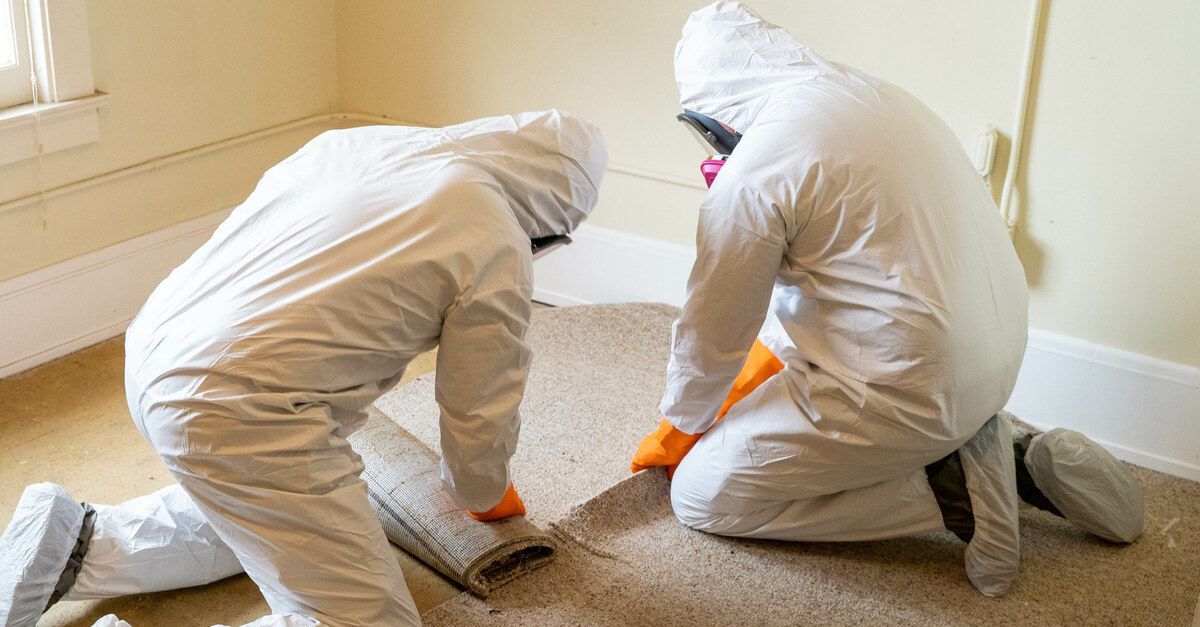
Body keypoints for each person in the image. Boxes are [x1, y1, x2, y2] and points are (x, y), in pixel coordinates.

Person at [1, 109, 607, 627]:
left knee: (273, 513)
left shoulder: (354, 144)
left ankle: (77, 546)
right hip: (239, 408)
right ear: (547, 217)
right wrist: (481, 491)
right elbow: (479, 401)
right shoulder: (493, 236)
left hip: (158, 348)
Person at [631, 1, 1143, 597]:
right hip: (998, 357)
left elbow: (712, 333)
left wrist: (682, 425)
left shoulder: (759, 167)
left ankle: (953, 489)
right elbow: (859, 272)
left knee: (703, 494)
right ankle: (1007, 443)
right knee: (808, 374)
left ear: (712, 114)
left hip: (915, 386)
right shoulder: (877, 98)